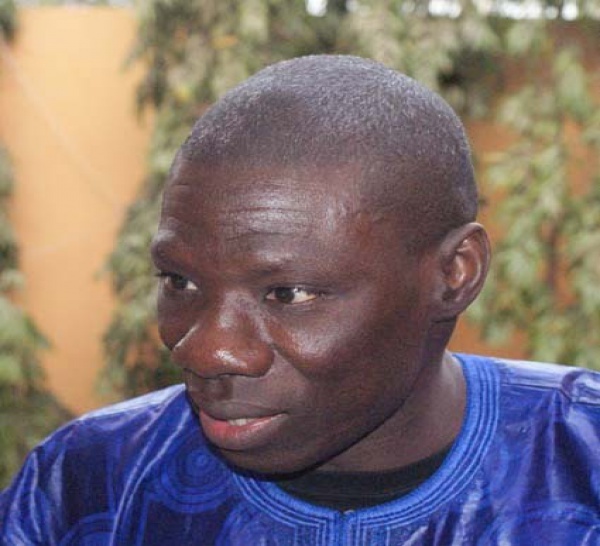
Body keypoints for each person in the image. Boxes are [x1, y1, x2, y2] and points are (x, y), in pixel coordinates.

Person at [1, 55, 599, 545]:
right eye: (180, 282)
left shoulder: (582, 459)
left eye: (288, 294)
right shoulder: (86, 485)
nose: (208, 351)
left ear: (455, 273)